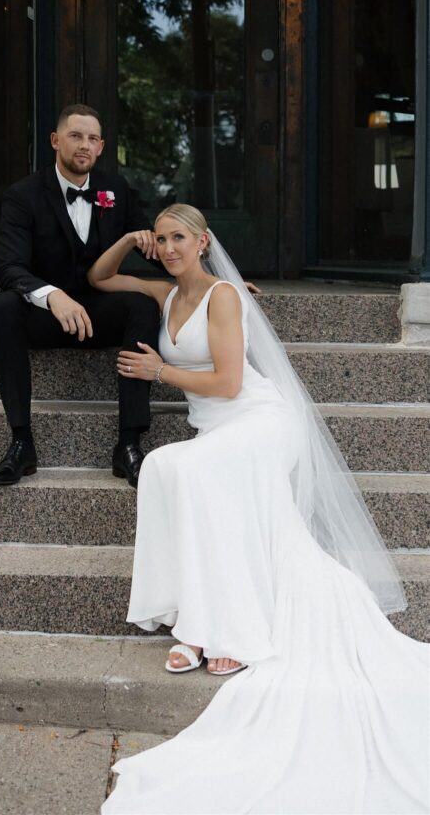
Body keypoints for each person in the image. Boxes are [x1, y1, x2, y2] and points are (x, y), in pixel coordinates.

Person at [87, 204, 429, 815]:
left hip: (260, 423)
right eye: (161, 239)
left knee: (178, 466)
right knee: (169, 467)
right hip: (218, 434)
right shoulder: (164, 291)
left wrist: (157, 369)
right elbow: (99, 280)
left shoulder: (222, 297)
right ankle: (191, 615)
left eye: (178, 239)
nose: (168, 248)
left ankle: (220, 630)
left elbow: (227, 384)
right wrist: (126, 238)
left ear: (203, 242)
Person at [0, 103, 161, 487]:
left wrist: (214, 281)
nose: (84, 145)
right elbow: (8, 268)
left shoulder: (117, 191)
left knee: (144, 305)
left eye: (92, 139)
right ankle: (21, 443)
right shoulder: (22, 195)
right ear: (55, 140)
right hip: (47, 316)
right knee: (2, 308)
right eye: (75, 136)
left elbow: (158, 250)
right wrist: (52, 296)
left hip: (100, 313)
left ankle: (129, 444)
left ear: (100, 147)